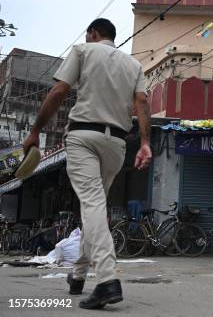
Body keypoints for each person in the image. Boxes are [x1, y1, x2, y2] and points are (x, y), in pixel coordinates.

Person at [22, 18, 152, 309]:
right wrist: (144, 143)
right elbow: (142, 103)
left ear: (94, 34)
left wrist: (35, 131)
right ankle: (78, 276)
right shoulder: (134, 65)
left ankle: (107, 281)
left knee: (92, 206)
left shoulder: (82, 51)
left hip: (83, 137)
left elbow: (57, 92)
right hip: (117, 143)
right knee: (94, 208)